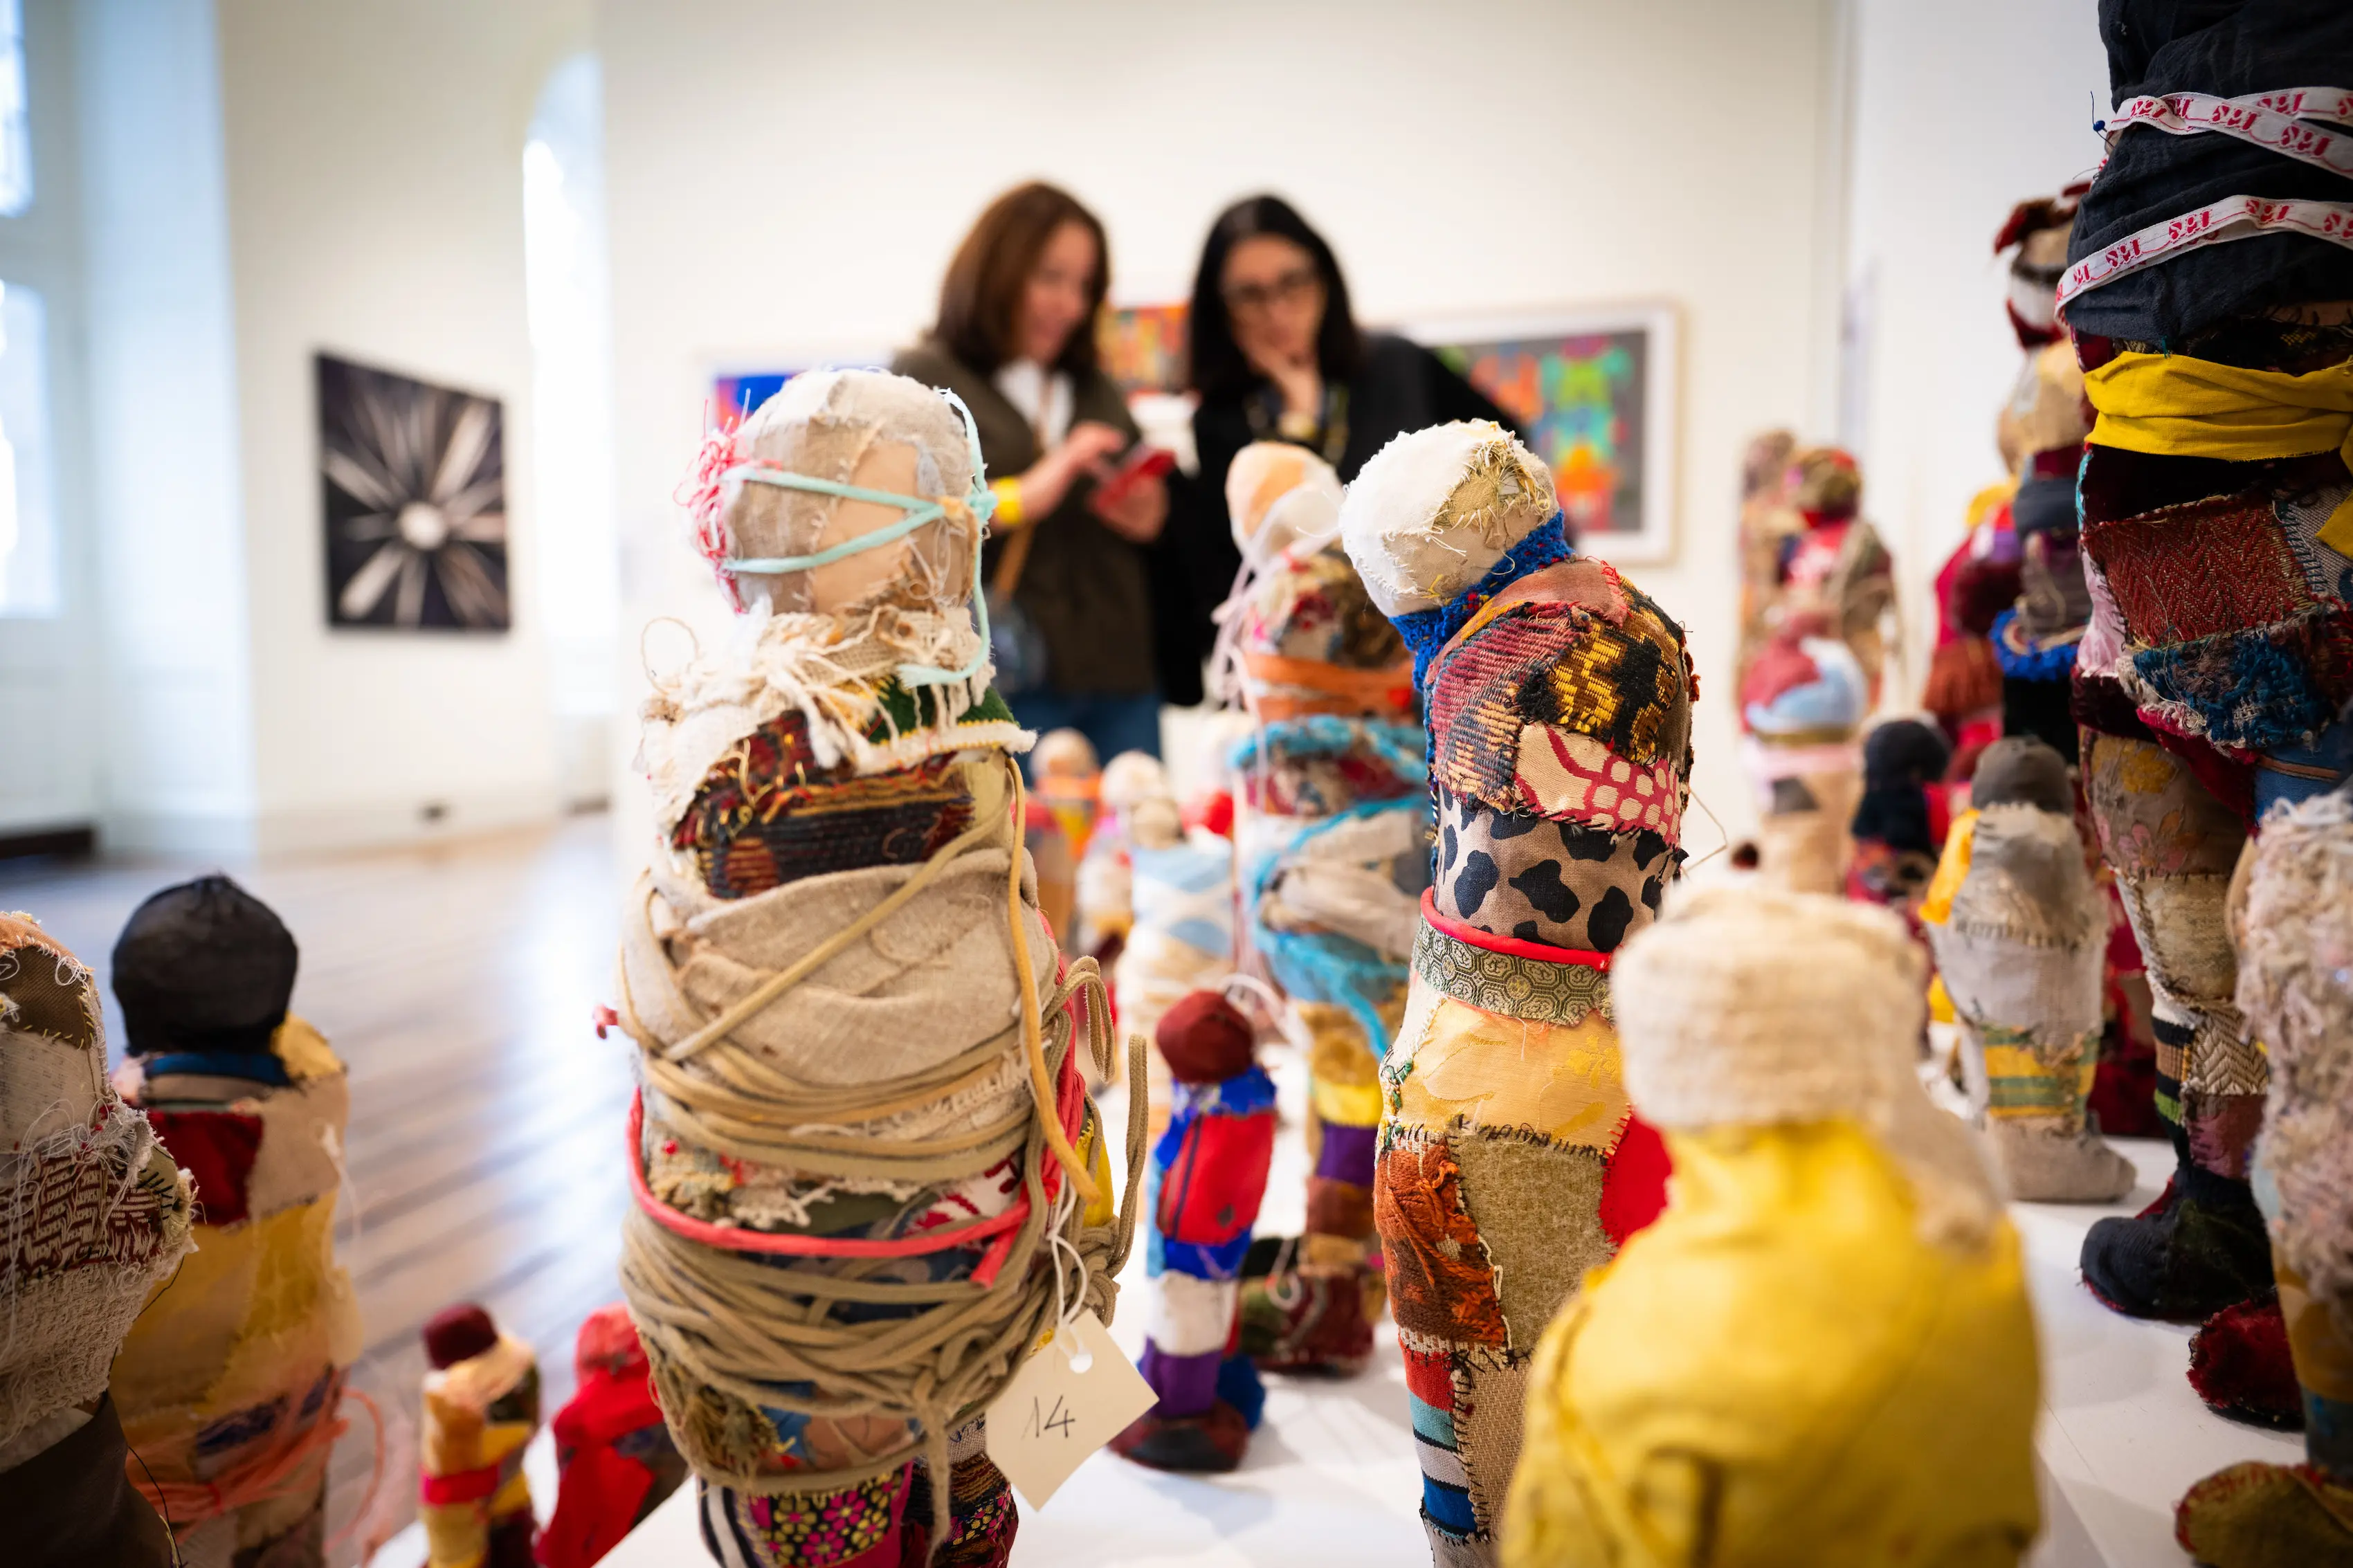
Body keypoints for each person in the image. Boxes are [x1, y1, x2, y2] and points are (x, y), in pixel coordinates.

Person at [893, 182, 1173, 763]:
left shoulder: (1091, 384)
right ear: (997, 269)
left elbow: (1148, 515)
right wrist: (1040, 483)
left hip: (1120, 673)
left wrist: (1149, 513)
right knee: (1021, 848)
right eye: (1051, 278)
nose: (1071, 305)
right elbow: (913, 520)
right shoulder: (924, 375)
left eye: (1085, 287)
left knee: (1139, 843)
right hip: (1005, 676)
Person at [1179, 194, 1518, 636]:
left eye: (1292, 282)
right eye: (1249, 295)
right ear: (1220, 306)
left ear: (1323, 279)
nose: (1277, 311)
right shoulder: (1218, 422)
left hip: (1449, 626)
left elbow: (1509, 448)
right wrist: (1299, 417)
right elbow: (1276, 562)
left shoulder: (1397, 364)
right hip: (1320, 648)